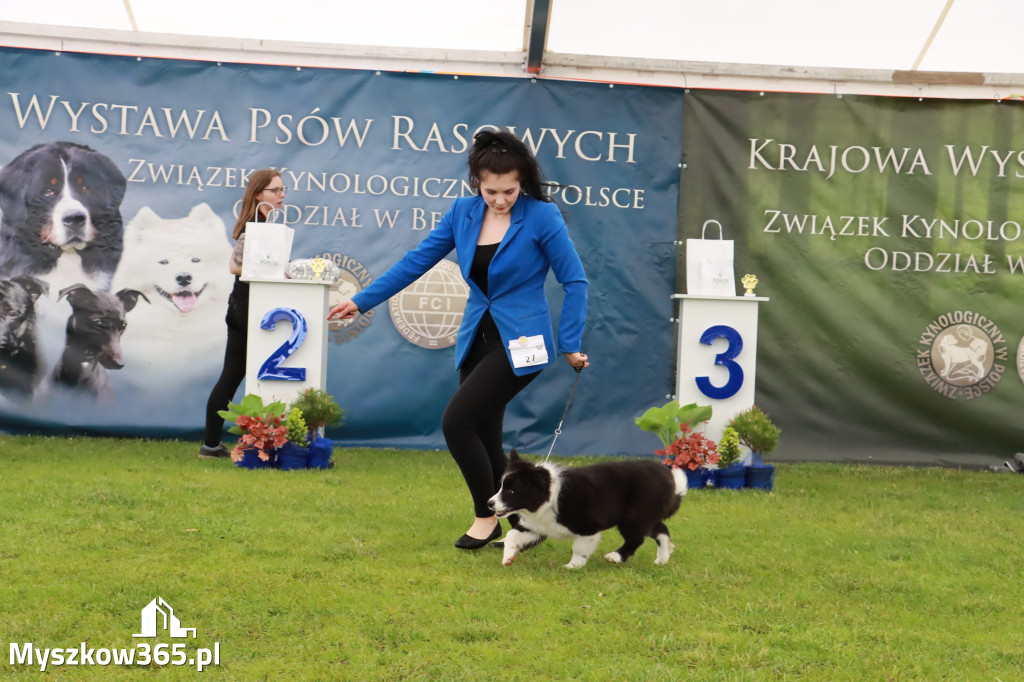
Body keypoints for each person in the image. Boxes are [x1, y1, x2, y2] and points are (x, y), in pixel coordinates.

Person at [328, 130, 589, 549]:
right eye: (491, 191)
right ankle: (523, 524)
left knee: (457, 422)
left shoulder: (543, 216)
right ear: (476, 183)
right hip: (476, 336)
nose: (500, 199)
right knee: (485, 431)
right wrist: (361, 301)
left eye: (509, 190)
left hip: (524, 342)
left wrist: (571, 343)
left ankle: (486, 516)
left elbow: (575, 281)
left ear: (522, 182)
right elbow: (416, 261)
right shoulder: (463, 213)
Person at [199, 169, 287, 458]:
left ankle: (211, 444)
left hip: (241, 305)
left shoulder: (263, 225)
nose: (281, 195)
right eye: (275, 190)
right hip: (250, 307)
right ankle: (261, 443)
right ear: (259, 193)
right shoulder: (256, 226)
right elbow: (234, 266)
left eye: (283, 190)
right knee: (256, 378)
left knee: (232, 376)